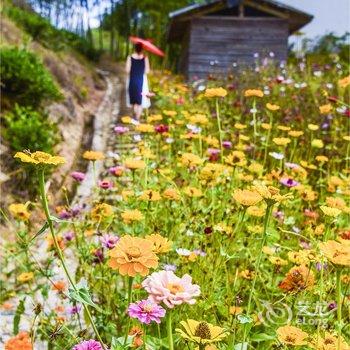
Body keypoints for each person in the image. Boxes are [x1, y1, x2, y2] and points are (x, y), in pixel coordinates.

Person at [126, 43, 151, 120]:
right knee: (140, 100)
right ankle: (137, 119)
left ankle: (134, 116)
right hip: (142, 80)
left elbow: (127, 70)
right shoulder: (145, 58)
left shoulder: (130, 57)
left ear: (135, 48)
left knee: (133, 100)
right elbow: (147, 71)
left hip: (132, 79)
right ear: (142, 49)